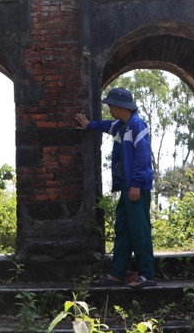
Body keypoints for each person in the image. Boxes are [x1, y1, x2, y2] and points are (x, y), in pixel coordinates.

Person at [75, 87, 156, 289]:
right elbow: (106, 125)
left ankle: (147, 275)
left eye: (111, 106)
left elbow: (143, 157)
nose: (110, 109)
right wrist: (89, 125)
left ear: (121, 107)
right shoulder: (122, 126)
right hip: (128, 187)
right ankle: (116, 275)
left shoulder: (137, 126)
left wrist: (136, 183)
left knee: (139, 230)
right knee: (123, 229)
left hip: (137, 187)